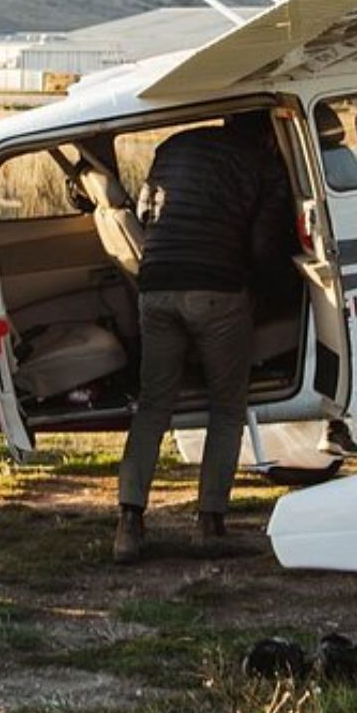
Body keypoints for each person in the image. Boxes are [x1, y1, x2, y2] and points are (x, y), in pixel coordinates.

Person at [114, 112, 292, 563]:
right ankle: (209, 524)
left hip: (155, 286)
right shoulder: (264, 164)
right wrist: (279, 292)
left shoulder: (172, 147)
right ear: (266, 131)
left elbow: (145, 213)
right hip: (216, 290)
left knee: (154, 406)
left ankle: (129, 525)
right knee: (227, 408)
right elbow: (265, 245)